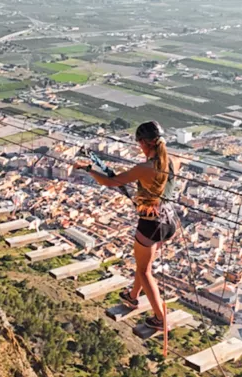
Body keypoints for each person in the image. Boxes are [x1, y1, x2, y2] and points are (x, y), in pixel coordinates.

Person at [74, 121, 179, 330]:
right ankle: (132, 296)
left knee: (144, 272)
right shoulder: (173, 161)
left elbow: (112, 182)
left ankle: (160, 318)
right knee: (143, 267)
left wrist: (88, 169)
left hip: (150, 224)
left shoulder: (144, 168)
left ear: (144, 143)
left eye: (140, 143)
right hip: (170, 222)